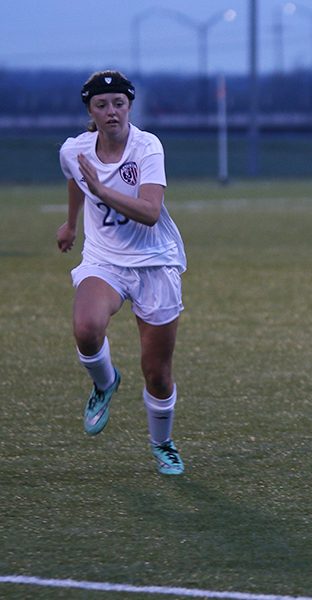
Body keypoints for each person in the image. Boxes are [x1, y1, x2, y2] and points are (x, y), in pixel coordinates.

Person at [56, 70, 187, 476]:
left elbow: (149, 212)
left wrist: (102, 191)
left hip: (155, 264)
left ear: (129, 106)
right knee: (86, 328)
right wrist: (71, 224)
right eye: (102, 105)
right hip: (105, 260)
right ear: (90, 111)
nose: (111, 111)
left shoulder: (147, 147)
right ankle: (105, 382)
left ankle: (162, 443)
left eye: (118, 103)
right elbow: (78, 179)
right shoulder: (74, 150)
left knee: (158, 375)